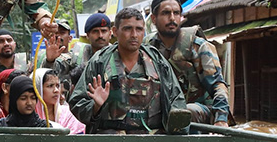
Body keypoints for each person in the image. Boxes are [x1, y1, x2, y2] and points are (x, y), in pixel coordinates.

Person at [68, 7, 190, 135]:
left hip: (153, 141)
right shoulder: (100, 62)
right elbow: (77, 102)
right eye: (127, 29)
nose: (134, 35)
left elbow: (177, 100)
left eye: (139, 29)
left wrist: (176, 126)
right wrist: (95, 107)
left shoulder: (157, 62)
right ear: (115, 31)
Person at [146, 0, 231, 128]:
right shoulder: (147, 48)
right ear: (154, 19)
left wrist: (221, 119)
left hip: (199, 111)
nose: (172, 18)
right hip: (162, 111)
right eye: (166, 13)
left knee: (185, 112)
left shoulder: (198, 47)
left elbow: (218, 85)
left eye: (176, 13)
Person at [33, 68, 85, 134]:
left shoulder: (69, 114)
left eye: (57, 86)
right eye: (50, 86)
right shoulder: (29, 115)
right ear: (38, 89)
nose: (56, 90)